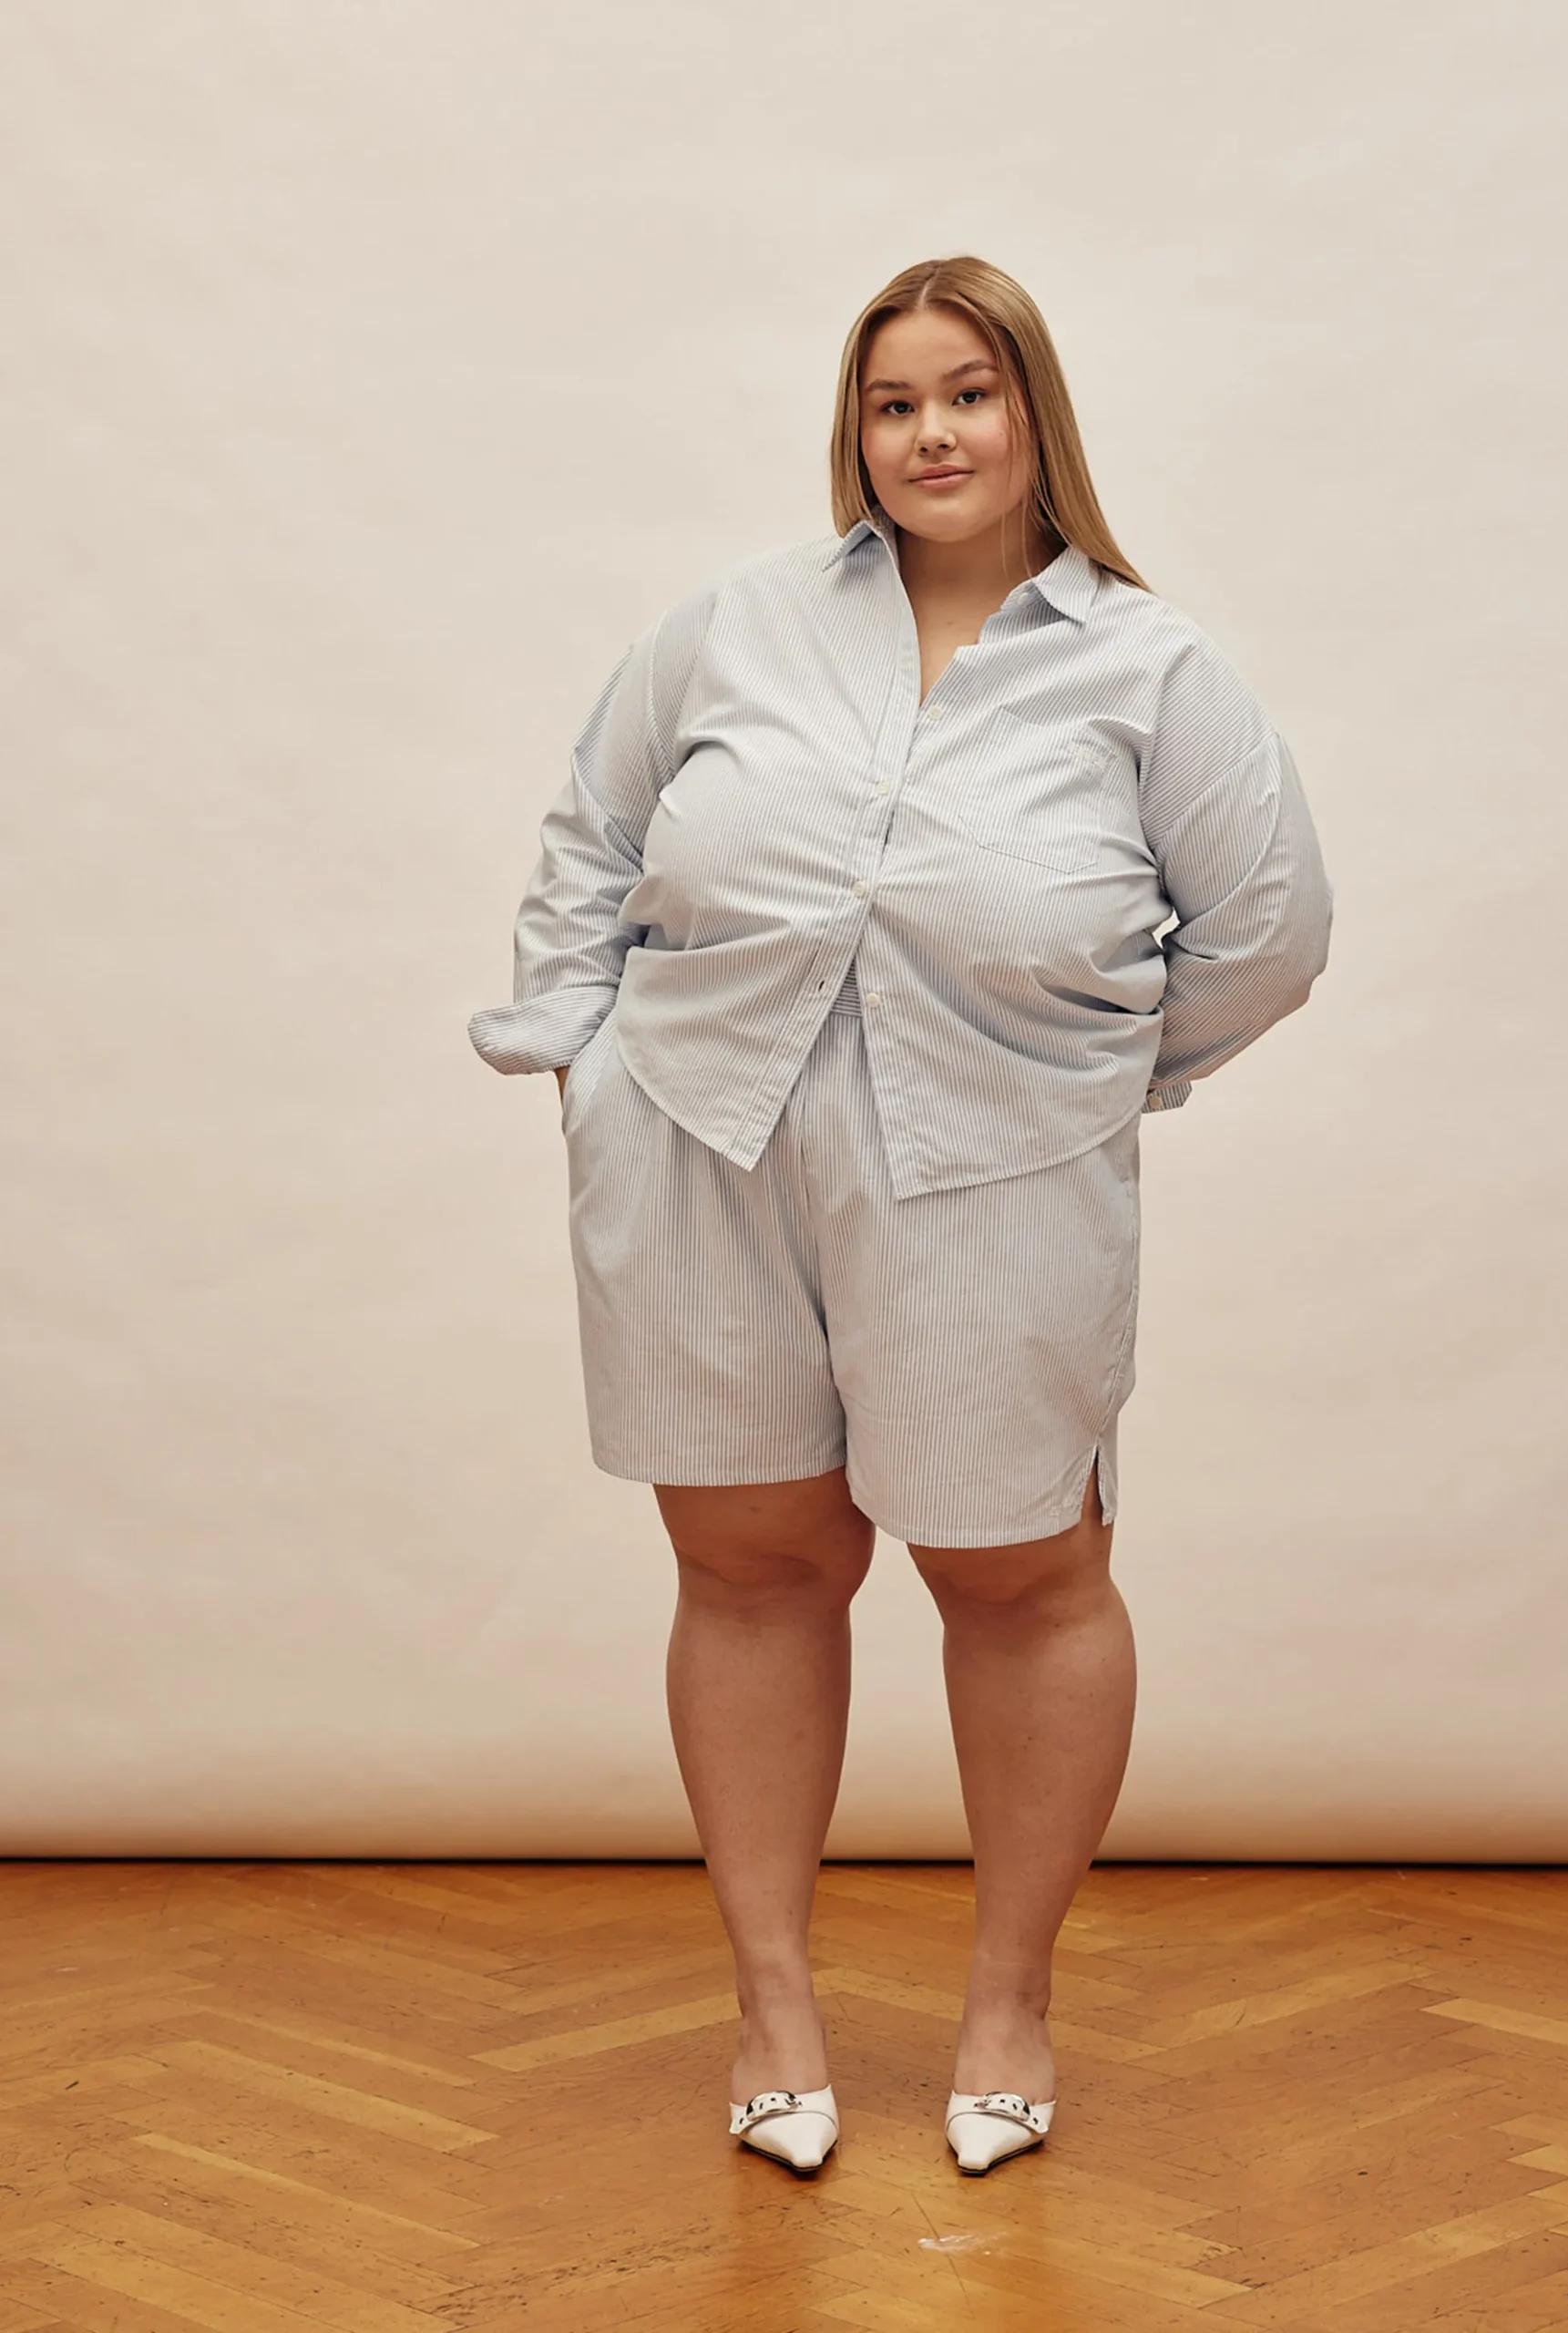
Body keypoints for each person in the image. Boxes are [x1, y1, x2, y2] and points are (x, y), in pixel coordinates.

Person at [467, 253, 1334, 2177]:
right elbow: (592, 838)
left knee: (1024, 1574)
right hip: (704, 1146)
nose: (930, 432)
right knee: (750, 1566)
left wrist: (1087, 1070)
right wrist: (582, 1062)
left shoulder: (1149, 666)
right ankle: (772, 2003)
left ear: (1033, 417)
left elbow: (1271, 933)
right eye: (892, 402)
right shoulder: (734, 625)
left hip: (997, 1171)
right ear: (854, 432)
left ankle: (1008, 2001)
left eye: (967, 392)